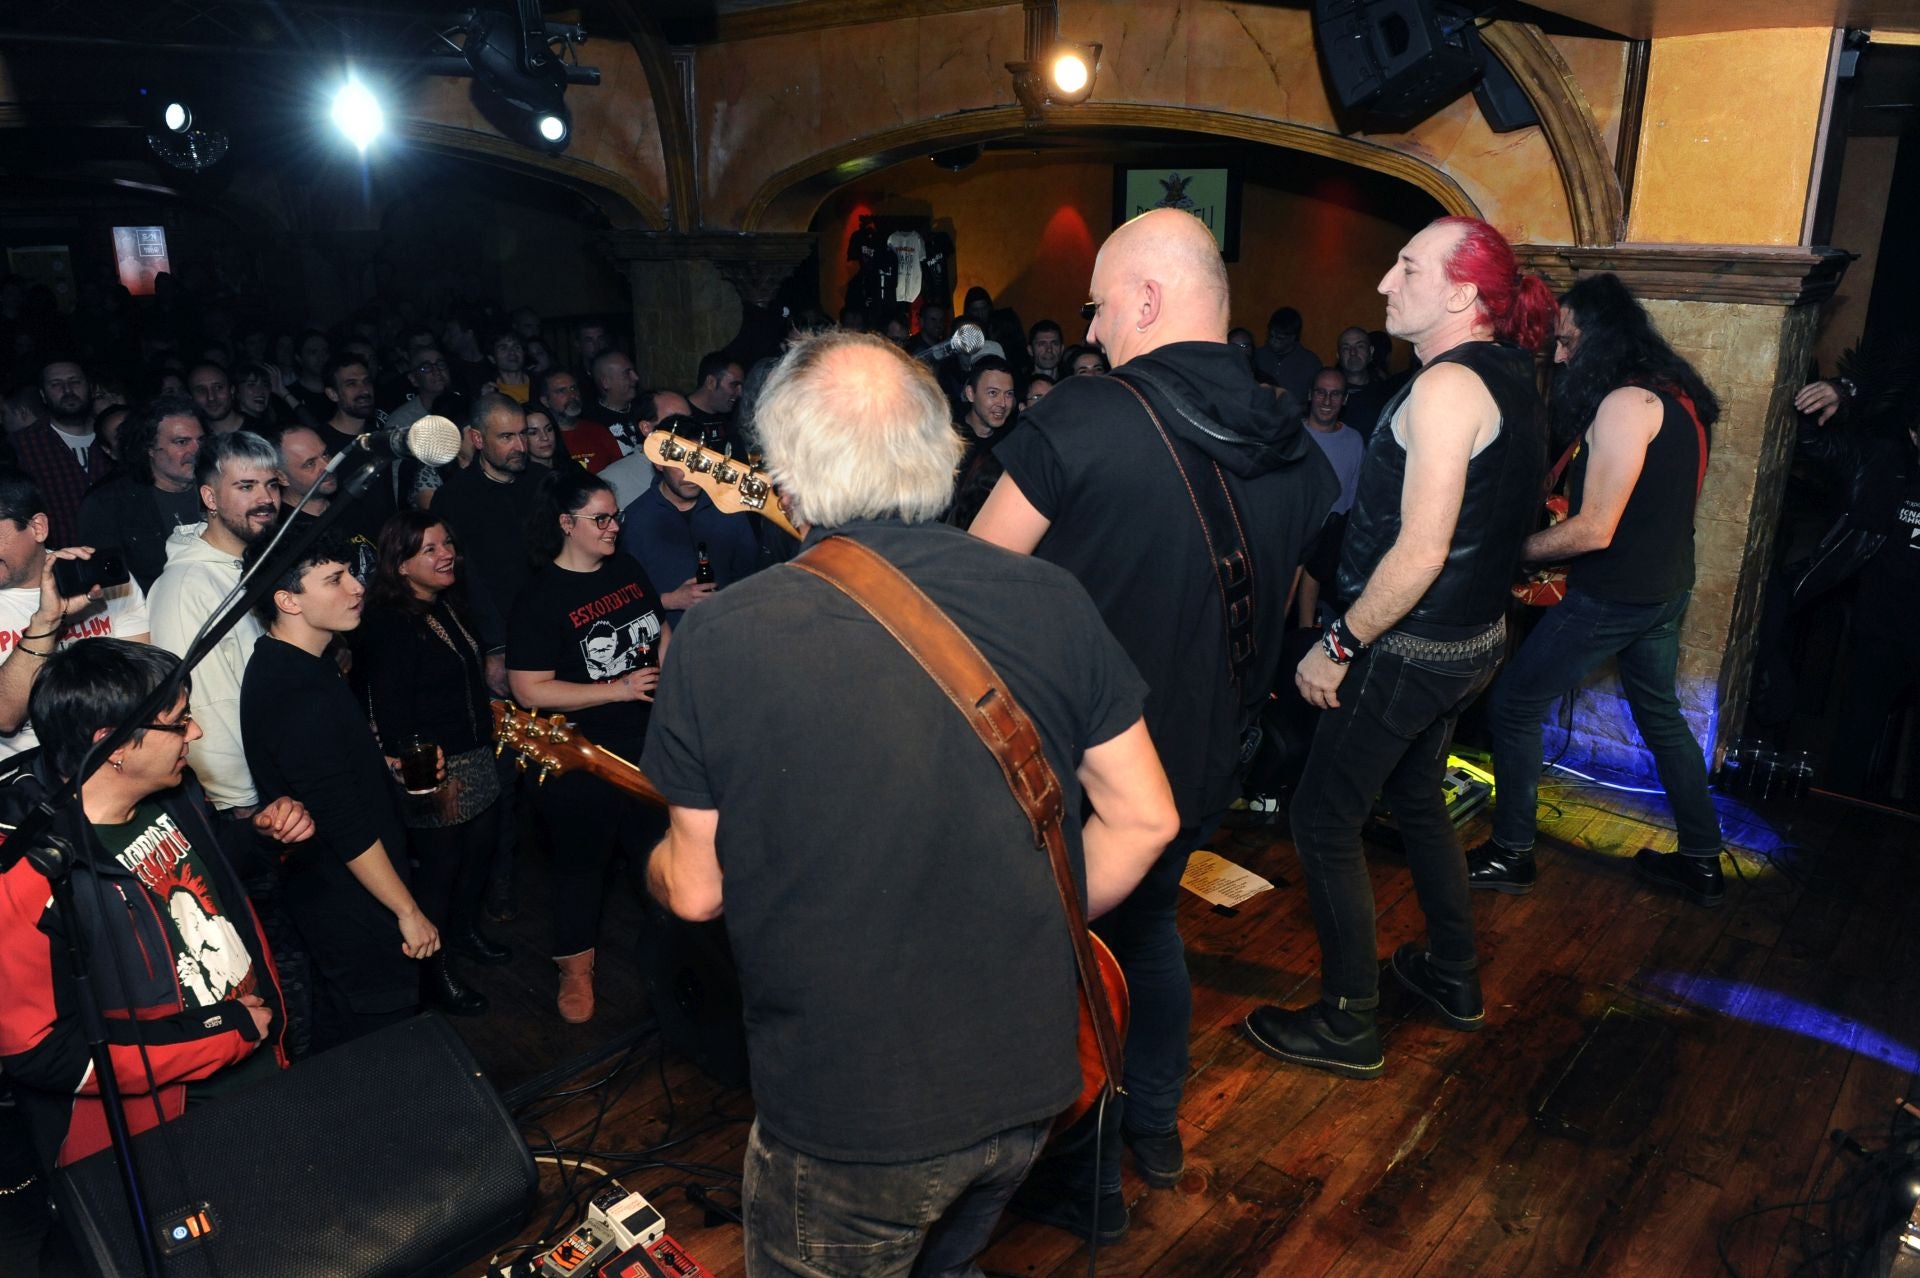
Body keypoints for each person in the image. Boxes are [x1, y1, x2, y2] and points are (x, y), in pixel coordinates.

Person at [644, 330, 1176, 1277]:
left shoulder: (721, 637)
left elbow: (694, 893)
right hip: (1033, 1082)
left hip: (853, 1122)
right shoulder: (1049, 596)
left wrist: (653, 855)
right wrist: (1034, 922)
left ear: (787, 474)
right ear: (942, 450)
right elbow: (1146, 819)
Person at [972, 208, 1338, 1238]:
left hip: (1075, 764)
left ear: (1145, 299)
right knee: (1151, 930)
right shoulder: (1295, 445)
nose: (1088, 331)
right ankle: (1158, 1128)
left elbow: (972, 590)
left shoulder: (1084, 419)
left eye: (1096, 305)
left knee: (1057, 954)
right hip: (1205, 759)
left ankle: (1076, 1168)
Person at [1242, 216, 1551, 1079]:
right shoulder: (1513, 374)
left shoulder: (1446, 390)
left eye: (1407, 266)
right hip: (1472, 643)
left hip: (1411, 647)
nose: (1384, 280)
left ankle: (1347, 1022)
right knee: (1416, 800)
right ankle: (1453, 977)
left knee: (1322, 816)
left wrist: (1336, 645)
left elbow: (1419, 552)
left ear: (1459, 293)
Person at [1467, 273, 1727, 904]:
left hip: (1616, 595)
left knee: (1513, 705)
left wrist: (1512, 554)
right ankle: (1700, 860)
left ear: (1600, 336)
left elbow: (1594, 530)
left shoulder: (1625, 403)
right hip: (1664, 588)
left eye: (1566, 341)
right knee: (1661, 716)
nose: (1558, 356)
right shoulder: (1678, 395)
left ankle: (1511, 854)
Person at [0, 639, 308, 1169]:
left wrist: (260, 838)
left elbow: (212, 886)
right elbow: (44, 1053)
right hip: (167, 1128)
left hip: (258, 1059)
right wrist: (218, 1036)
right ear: (113, 744)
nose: (197, 732)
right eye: (179, 722)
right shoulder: (27, 870)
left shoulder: (174, 790)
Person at [240, 535, 439, 1051]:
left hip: (344, 892)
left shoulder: (303, 665)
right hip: (351, 902)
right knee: (380, 1046)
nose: (357, 587)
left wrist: (385, 769)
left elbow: (329, 776)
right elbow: (344, 824)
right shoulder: (294, 693)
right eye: (335, 579)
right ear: (287, 600)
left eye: (352, 573)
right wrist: (406, 911)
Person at [507, 469, 669, 1023]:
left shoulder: (624, 567)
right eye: (600, 519)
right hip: (581, 757)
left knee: (659, 856)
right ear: (565, 525)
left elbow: (656, 628)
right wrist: (617, 688)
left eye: (614, 516)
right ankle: (576, 969)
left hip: (648, 745)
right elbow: (528, 688)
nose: (613, 528)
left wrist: (668, 678)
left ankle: (677, 959)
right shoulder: (540, 598)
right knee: (582, 868)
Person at [359, 511, 512, 1017]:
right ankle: (434, 971)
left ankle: (465, 933)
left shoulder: (445, 602)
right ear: (400, 564)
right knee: (441, 869)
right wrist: (417, 767)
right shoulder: (387, 623)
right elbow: (390, 707)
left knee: (478, 856)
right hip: (437, 767)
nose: (446, 554)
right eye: (429, 549)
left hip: (477, 753)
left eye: (447, 543)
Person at [147, 431, 283, 822]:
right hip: (252, 802)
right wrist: (243, 802)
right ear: (209, 498)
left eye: (271, 485)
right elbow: (203, 704)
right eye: (246, 486)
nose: (265, 499)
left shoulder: (254, 565)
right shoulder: (186, 586)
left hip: (279, 776)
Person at [0, 468, 151, 761]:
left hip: (121, 756)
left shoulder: (97, 576)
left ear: (37, 528)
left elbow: (143, 679)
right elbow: (5, 717)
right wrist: (47, 620)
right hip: (32, 780)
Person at [616, 409, 760, 628]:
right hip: (672, 649)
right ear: (658, 463)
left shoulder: (729, 508)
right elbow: (623, 602)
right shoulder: (635, 521)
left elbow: (752, 577)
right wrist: (669, 601)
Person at [78, 396, 206, 591]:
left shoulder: (220, 487)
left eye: (201, 440)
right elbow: (110, 588)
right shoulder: (109, 504)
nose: (196, 450)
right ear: (150, 448)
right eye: (181, 442)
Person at [1293, 368, 1368, 627]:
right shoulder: (1291, 435)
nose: (1327, 401)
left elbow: (1356, 498)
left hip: (1330, 552)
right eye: (1321, 393)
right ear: (1310, 396)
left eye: (1335, 394)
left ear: (1345, 399)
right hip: (1289, 545)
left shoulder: (1354, 441)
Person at [14, 359, 112, 548]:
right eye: (56, 385)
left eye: (74, 382)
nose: (68, 391)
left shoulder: (113, 435)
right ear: (43, 395)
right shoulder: (25, 446)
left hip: (124, 557)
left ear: (90, 388)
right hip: (63, 563)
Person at [1253, 306, 1321, 407]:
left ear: (1293, 337)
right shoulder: (1257, 356)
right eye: (1271, 336)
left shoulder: (1310, 363)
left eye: (1280, 338)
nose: (1273, 341)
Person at [1336, 324, 1395, 440]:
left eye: (1360, 346)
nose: (1353, 352)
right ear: (1338, 355)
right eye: (1346, 348)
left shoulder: (1388, 394)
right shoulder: (1328, 394)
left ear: (1371, 351)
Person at [686, 351, 745, 452]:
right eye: (734, 385)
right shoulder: (682, 415)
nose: (740, 393)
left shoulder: (731, 418)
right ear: (711, 382)